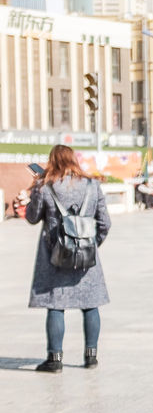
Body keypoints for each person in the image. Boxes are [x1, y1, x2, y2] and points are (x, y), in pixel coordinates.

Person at [24, 145, 111, 373]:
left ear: (52, 161)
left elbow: (32, 217)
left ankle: (55, 359)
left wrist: (33, 191)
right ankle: (91, 357)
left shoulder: (44, 186)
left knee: (56, 305)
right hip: (87, 258)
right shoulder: (92, 185)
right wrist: (89, 245)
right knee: (90, 304)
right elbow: (105, 223)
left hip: (55, 257)